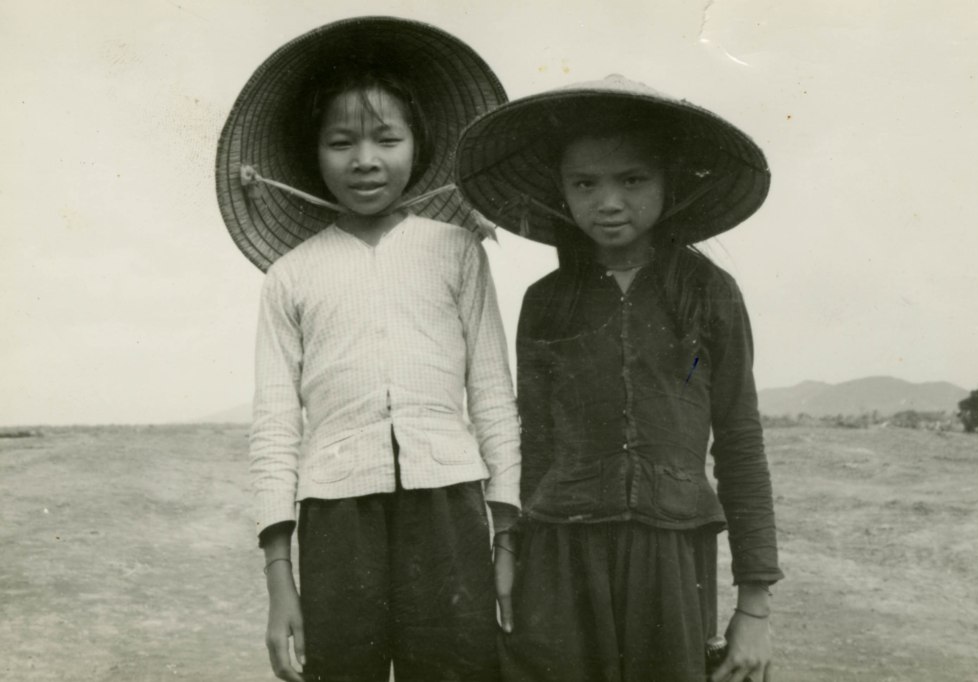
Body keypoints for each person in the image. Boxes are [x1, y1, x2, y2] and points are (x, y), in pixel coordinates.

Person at [215, 17, 520, 682]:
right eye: (341, 142)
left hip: (449, 507)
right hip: (334, 515)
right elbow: (274, 424)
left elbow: (494, 393)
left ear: (419, 144)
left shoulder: (455, 251)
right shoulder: (291, 275)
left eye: (387, 138)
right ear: (312, 153)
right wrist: (279, 580)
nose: (365, 160)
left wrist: (504, 536)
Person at [455, 75, 784, 682]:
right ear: (561, 191)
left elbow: (739, 440)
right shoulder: (546, 301)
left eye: (632, 180)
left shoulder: (709, 294)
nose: (608, 201)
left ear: (670, 183)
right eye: (585, 183)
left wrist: (755, 604)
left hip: (672, 553)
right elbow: (533, 440)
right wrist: (512, 549)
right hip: (559, 554)